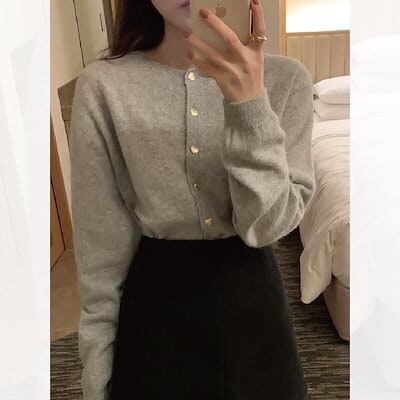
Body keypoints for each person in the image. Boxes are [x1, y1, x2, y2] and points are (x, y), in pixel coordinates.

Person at [69, 0, 316, 399]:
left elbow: (266, 227)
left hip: (254, 305)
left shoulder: (288, 79)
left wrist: (250, 104)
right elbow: (101, 248)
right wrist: (96, 376)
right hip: (154, 305)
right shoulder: (104, 86)